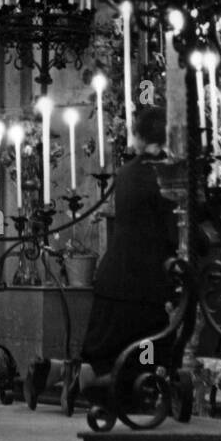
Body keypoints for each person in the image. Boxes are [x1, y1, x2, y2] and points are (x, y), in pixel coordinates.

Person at [77, 107, 178, 390]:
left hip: (115, 278)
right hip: (146, 284)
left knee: (104, 357)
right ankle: (90, 383)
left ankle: (67, 376)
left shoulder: (127, 172)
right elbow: (172, 229)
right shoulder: (164, 175)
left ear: (139, 135)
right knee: (145, 357)